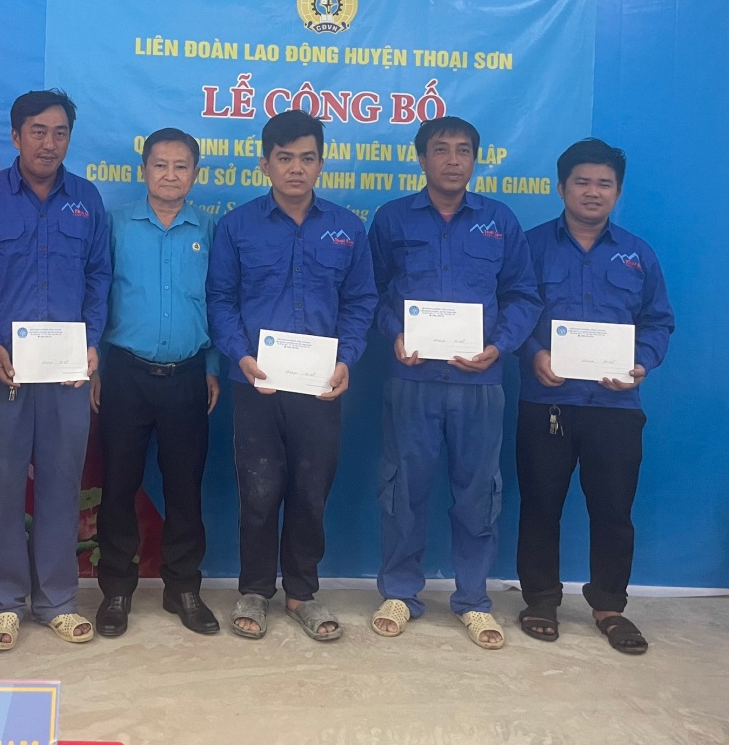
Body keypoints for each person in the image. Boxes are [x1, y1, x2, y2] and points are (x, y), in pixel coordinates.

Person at [368, 115, 540, 650]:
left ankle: (473, 600)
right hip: (412, 379)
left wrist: (499, 346)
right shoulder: (392, 219)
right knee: (404, 490)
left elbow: (523, 295)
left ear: (474, 160)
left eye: (463, 150)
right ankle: (400, 592)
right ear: (422, 159)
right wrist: (395, 333)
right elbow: (369, 293)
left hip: (480, 382)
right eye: (441, 150)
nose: (452, 160)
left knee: (478, 494)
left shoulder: (499, 221)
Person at [0, 89, 111, 650]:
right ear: (15, 137)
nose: (49, 143)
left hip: (66, 373)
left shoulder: (86, 200)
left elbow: (99, 278)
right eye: (37, 131)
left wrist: (91, 343)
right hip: (3, 370)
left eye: (60, 132)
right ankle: (4, 603)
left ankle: (58, 601)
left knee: (62, 484)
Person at [206, 110, 377, 642]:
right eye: (284, 158)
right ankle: (255, 590)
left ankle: (302, 591)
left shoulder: (348, 228)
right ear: (265, 164)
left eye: (307, 158)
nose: (296, 168)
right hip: (256, 382)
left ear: (321, 163)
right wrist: (240, 355)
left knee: (311, 490)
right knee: (258, 491)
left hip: (321, 386)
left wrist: (347, 358)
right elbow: (220, 300)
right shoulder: (236, 226)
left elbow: (361, 301)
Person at [514, 138, 674, 655]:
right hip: (547, 402)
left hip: (615, 407)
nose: (592, 191)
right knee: (540, 506)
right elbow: (512, 310)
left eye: (604, 184)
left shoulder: (638, 254)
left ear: (617, 192)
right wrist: (534, 353)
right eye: (581, 181)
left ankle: (609, 607)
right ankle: (540, 599)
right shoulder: (530, 247)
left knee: (613, 511)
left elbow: (658, 321)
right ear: (561, 187)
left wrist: (641, 364)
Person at [92, 128, 221, 638]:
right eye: (160, 165)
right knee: (119, 484)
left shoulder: (207, 228)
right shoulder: (116, 225)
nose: (170, 175)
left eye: (181, 166)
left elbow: (217, 301)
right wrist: (97, 367)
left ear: (195, 173)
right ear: (143, 170)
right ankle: (116, 590)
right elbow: (97, 296)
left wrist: (212, 367)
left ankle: (183, 587)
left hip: (187, 375)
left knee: (185, 486)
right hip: (125, 373)